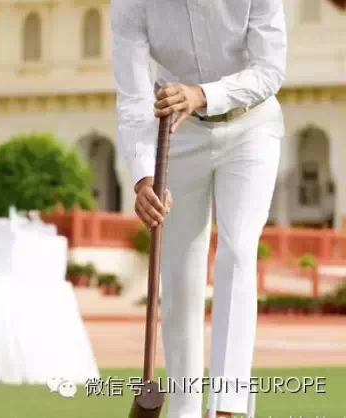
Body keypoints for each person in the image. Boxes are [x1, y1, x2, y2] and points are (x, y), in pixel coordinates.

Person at [110, 1, 286, 417]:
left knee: (238, 251)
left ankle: (227, 406)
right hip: (177, 131)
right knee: (180, 277)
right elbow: (133, 96)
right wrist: (143, 177)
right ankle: (184, 409)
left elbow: (269, 69)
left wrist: (203, 94)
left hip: (251, 125)